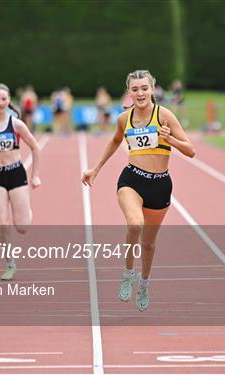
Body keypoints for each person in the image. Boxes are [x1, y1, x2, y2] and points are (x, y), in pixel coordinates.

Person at [82, 70, 195, 311]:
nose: (140, 93)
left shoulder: (165, 116)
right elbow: (115, 140)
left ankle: (144, 283)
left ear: (152, 89)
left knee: (149, 244)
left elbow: (190, 150)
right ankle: (127, 273)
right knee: (135, 223)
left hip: (160, 185)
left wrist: (170, 139)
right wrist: (96, 168)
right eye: (135, 89)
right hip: (132, 179)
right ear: (129, 92)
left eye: (144, 88)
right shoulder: (124, 118)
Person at [0, 83, 41, 281]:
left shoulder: (16, 124)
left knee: (22, 226)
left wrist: (35, 175)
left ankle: (26, 212)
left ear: (9, 100)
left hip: (16, 174)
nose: (0, 103)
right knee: (2, 223)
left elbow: (36, 148)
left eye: (4, 99)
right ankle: (10, 264)